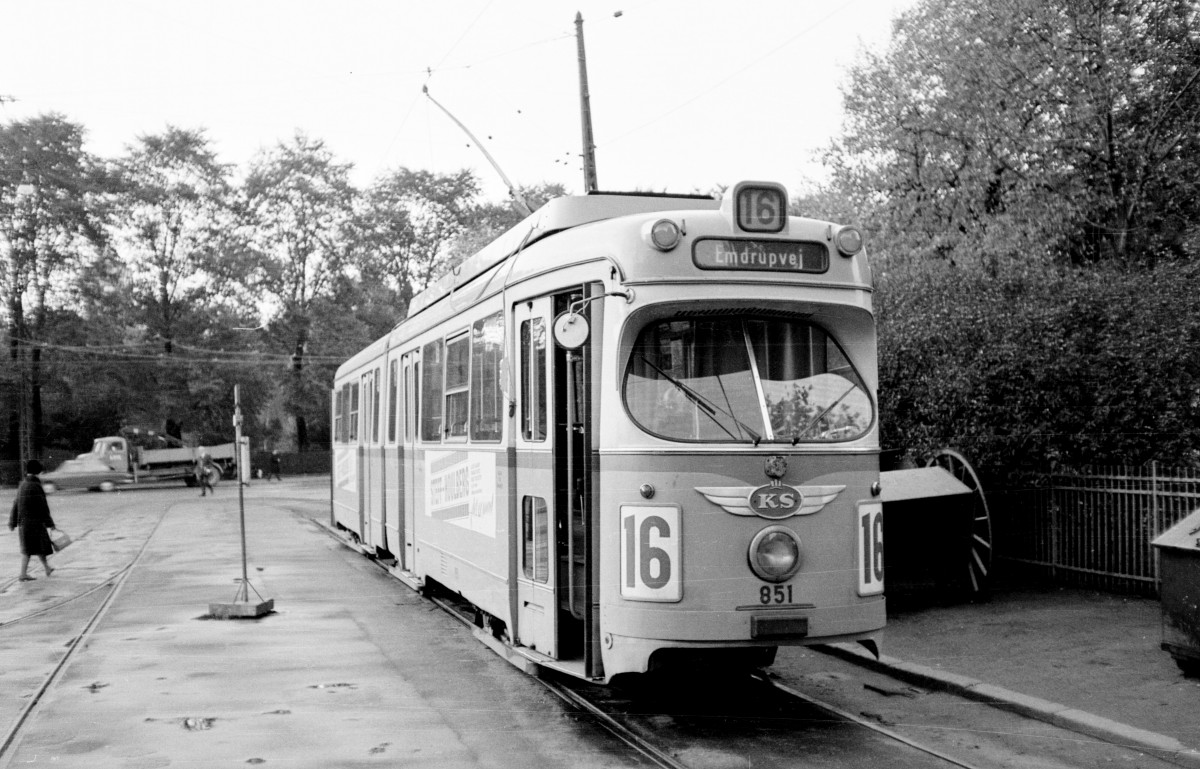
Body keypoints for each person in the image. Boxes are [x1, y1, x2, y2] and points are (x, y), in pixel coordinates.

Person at [8, 459, 56, 581]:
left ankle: (47, 568)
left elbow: (15, 504)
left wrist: (12, 522)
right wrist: (50, 523)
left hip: (24, 523)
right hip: (34, 523)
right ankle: (23, 574)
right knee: (30, 549)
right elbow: (43, 506)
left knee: (36, 547)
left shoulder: (23, 484)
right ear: (38, 471)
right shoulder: (35, 485)